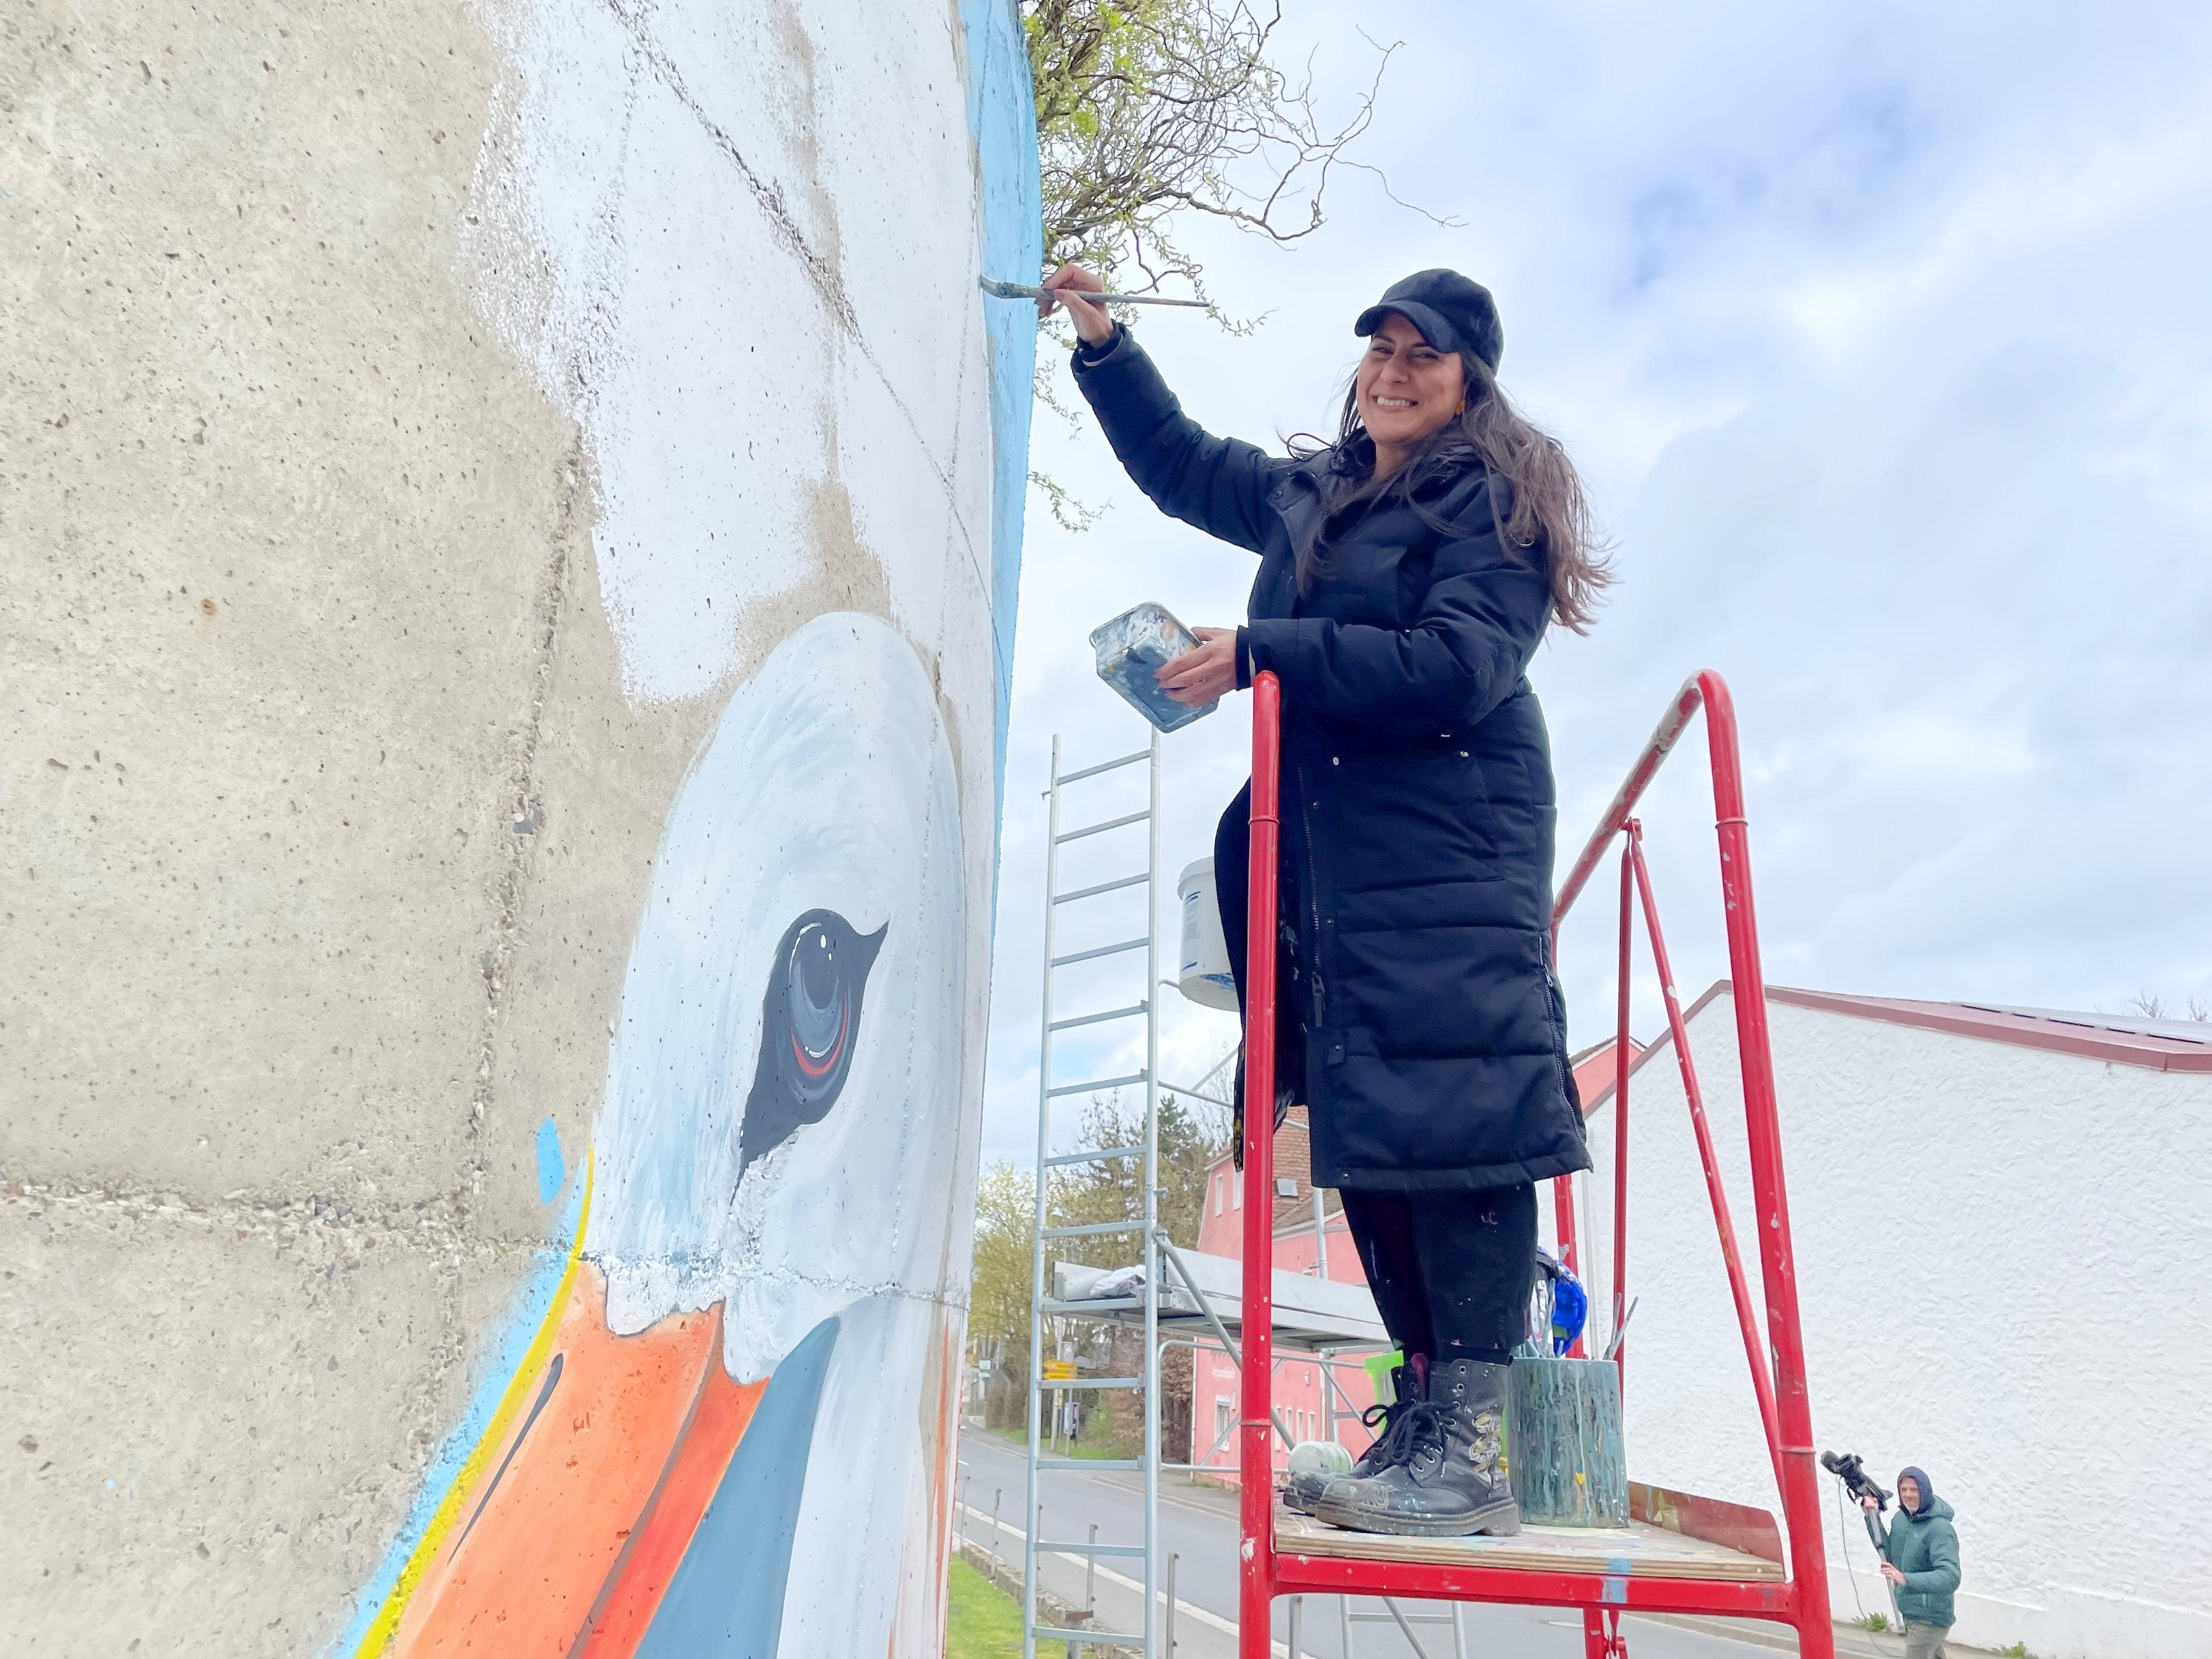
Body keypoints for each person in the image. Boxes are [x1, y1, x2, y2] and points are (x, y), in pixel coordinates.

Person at [1042, 263, 1611, 1537]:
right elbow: (1185, 465)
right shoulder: (1317, 495)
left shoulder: (1492, 494)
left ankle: (1470, 1445)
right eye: (1381, 350)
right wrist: (1105, 342)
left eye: (1427, 356)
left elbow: (1459, 665)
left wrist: (1259, 652)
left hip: (1449, 836)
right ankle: (1424, 1422)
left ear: (1472, 381)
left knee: (1457, 1115)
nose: (1394, 373)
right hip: (1336, 853)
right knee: (1369, 1126)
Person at [1863, 1467, 1962, 1658]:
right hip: (1909, 1610)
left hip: (1931, 1617)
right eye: (1903, 1490)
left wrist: (1906, 1578)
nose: (1908, 1495)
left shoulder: (1940, 1529)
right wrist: (1871, 1516)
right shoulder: (1900, 1520)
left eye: (1914, 1490)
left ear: (1925, 1491)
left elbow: (1951, 1577)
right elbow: (1890, 1556)